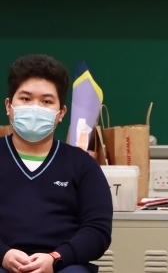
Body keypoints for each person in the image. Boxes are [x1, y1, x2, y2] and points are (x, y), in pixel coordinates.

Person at [0, 54, 113, 273]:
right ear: (9, 106)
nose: (35, 108)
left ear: (61, 113)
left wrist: (56, 258)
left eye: (46, 101)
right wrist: (3, 254)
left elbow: (97, 230)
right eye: (25, 99)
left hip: (62, 265)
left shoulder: (83, 165)